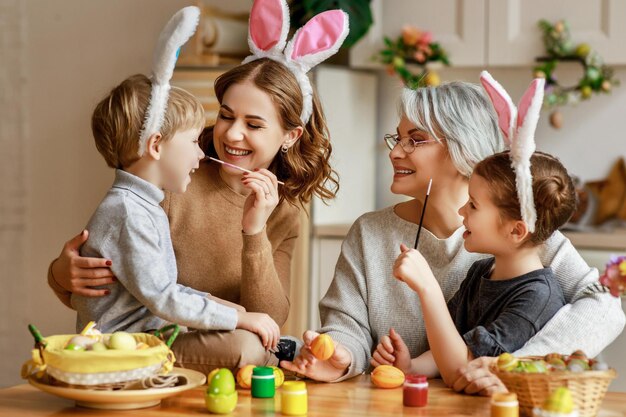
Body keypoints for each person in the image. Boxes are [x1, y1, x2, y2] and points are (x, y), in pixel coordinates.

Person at [47, 0, 350, 373]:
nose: (232, 133)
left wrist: (253, 231)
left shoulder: (282, 210)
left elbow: (269, 319)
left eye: (253, 125)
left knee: (256, 344)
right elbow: (124, 285)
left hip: (204, 345)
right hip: (150, 343)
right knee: (251, 348)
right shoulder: (170, 178)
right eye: (225, 115)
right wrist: (61, 274)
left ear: (290, 136)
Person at [281, 81, 625, 394]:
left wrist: (518, 365)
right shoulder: (369, 233)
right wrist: (341, 356)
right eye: (397, 138)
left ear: (464, 150)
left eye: (415, 139)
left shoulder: (520, 234)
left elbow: (606, 310)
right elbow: (347, 328)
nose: (395, 152)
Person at [74, 73, 280, 346]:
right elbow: (163, 297)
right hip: (127, 348)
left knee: (242, 326)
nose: (201, 154)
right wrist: (237, 319)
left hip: (151, 335)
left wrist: (231, 311)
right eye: (194, 142)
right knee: (242, 346)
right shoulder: (129, 213)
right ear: (156, 145)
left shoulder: (143, 205)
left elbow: (165, 289)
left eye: (254, 124)